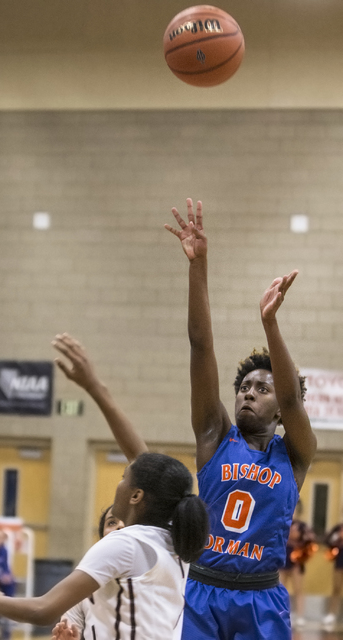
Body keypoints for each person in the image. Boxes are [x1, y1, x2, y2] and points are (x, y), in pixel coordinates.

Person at [164, 199, 317, 639]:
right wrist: (199, 267)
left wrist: (270, 322)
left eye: (261, 388)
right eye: (244, 387)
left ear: (280, 409)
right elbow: (200, 348)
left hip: (261, 598)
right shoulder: (215, 436)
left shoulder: (296, 453)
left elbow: (292, 398)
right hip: (204, 591)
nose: (249, 392)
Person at [0, 452, 209, 640]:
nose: (119, 483)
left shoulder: (126, 543)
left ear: (136, 496)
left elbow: (42, 611)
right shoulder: (176, 545)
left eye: (124, 477)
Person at [51, 505, 124, 640]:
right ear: (102, 537)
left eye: (127, 521)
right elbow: (68, 626)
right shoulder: (84, 586)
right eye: (111, 522)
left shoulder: (157, 579)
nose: (119, 526)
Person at [279, 507, 318, 629]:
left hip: (297, 562)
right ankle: (281, 614)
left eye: (296, 509)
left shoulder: (303, 527)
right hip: (283, 559)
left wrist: (299, 547)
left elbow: (311, 541)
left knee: (298, 589)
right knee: (281, 590)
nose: (293, 511)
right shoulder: (282, 522)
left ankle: (300, 616)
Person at [322, 522, 343, 630]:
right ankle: (331, 614)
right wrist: (337, 539)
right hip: (340, 562)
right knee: (336, 588)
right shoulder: (338, 528)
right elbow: (328, 541)